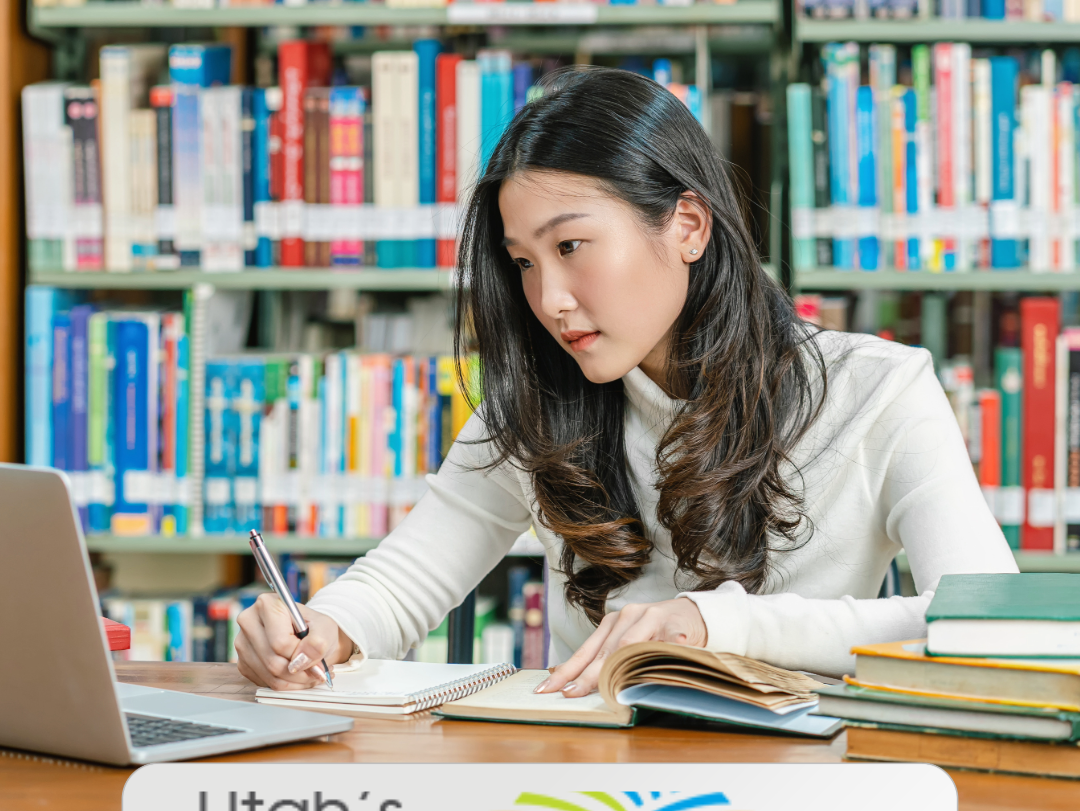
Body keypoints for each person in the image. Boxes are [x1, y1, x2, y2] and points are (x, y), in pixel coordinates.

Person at [235, 67, 1017, 697]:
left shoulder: (878, 392)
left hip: (801, 796)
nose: (549, 300)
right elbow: (407, 577)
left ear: (688, 226)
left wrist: (716, 626)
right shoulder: (542, 401)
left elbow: (988, 627)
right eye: (524, 263)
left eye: (573, 245)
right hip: (589, 790)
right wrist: (318, 629)